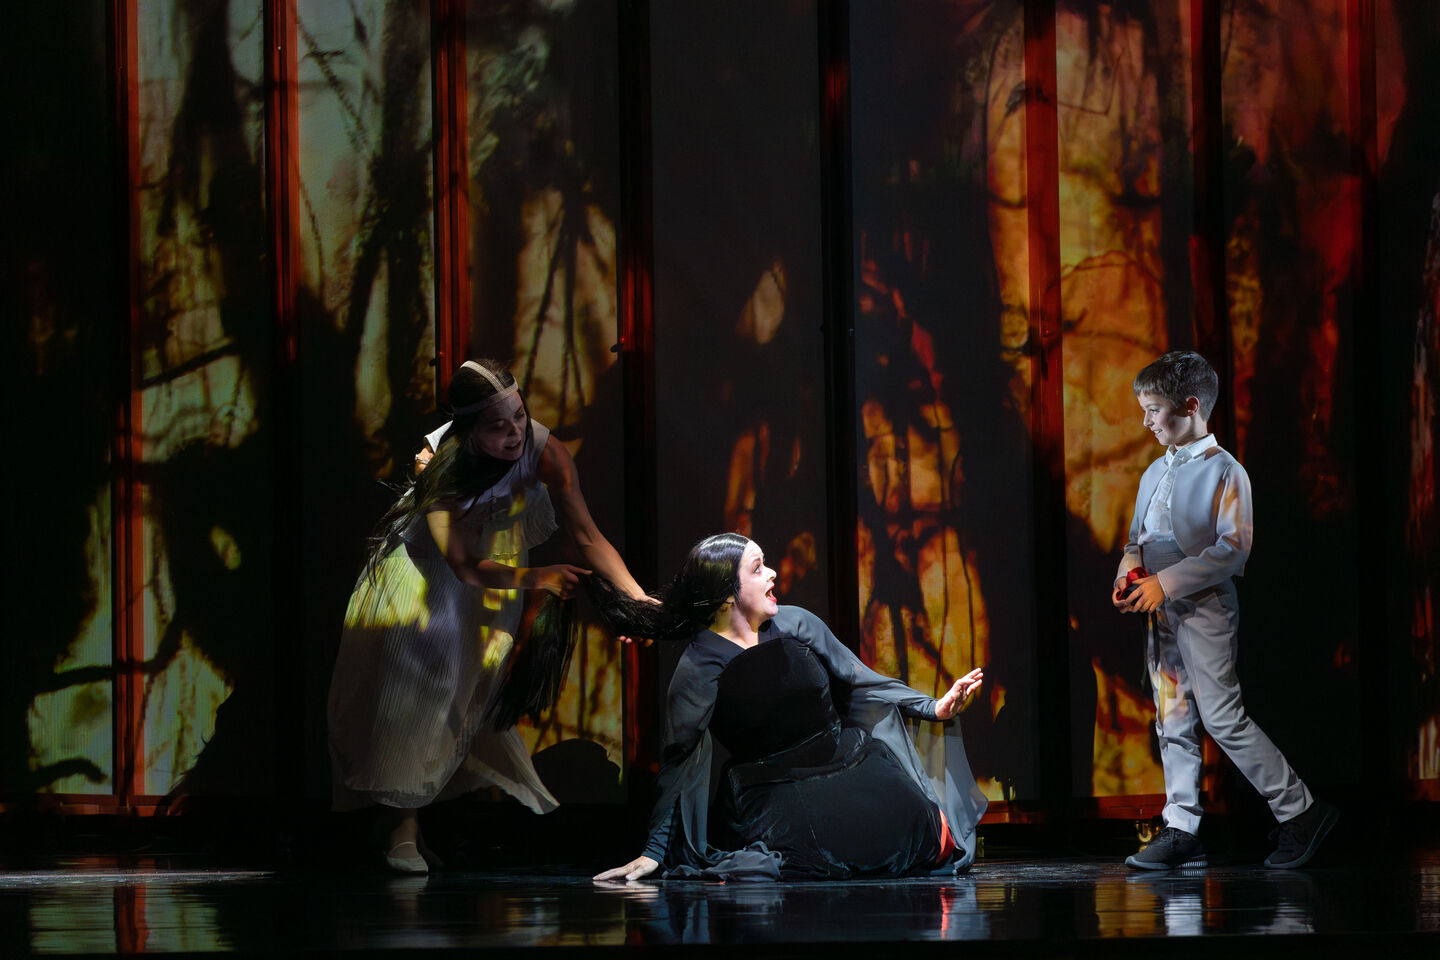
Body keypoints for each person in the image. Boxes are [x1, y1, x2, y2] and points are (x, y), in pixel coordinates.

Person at [328, 359, 649, 873]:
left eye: (519, 416)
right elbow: (460, 564)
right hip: (422, 581)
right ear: (467, 430)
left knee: (464, 694)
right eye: (498, 426)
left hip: (495, 581)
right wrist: (540, 577)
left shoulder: (545, 451)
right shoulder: (440, 466)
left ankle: (402, 824)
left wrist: (636, 599)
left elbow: (587, 535)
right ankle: (400, 831)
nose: (515, 432)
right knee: (421, 693)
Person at [592, 533, 987, 882]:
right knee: (817, 853)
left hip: (847, 760)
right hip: (773, 787)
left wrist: (934, 707)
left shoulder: (796, 623)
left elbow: (859, 679)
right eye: (758, 568)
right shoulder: (700, 668)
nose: (773, 574)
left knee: (921, 828)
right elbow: (679, 759)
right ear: (728, 594)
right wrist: (654, 851)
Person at [1112, 350, 1338, 870]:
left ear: (1190, 406)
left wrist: (1167, 583)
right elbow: (1136, 540)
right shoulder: (1154, 471)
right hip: (1160, 607)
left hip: (1203, 605)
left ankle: (1302, 811)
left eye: (1154, 410)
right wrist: (1128, 573)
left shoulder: (1226, 471)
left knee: (1221, 716)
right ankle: (1181, 825)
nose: (1147, 421)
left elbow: (1232, 550)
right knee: (1171, 716)